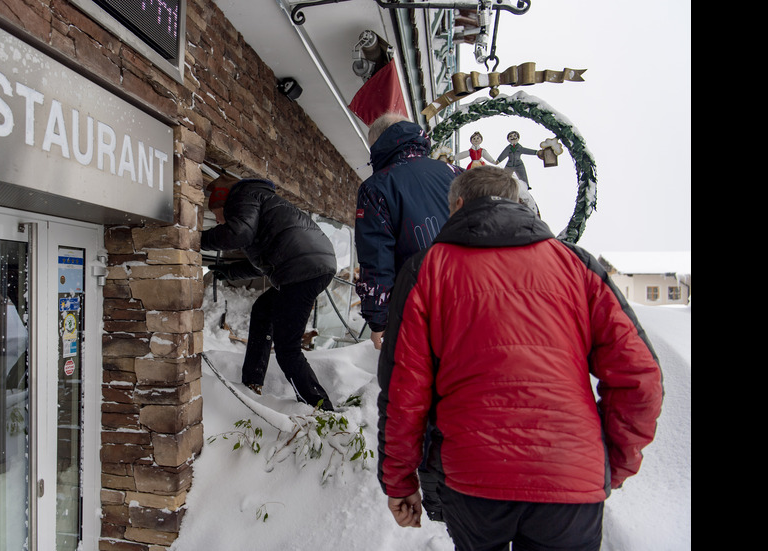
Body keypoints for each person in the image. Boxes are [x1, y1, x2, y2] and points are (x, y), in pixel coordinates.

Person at [377, 165, 663, 549]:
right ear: (517, 203)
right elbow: (640, 378)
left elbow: (404, 392)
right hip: (569, 478)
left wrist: (399, 480)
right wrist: (612, 462)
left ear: (458, 205)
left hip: (474, 480)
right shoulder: (577, 266)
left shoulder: (428, 270)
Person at [202, 173, 338, 411]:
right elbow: (259, 262)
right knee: (264, 309)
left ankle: (321, 409)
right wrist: (229, 272)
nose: (217, 220)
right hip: (312, 263)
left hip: (301, 269)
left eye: (215, 213)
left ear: (224, 202)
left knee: (287, 349)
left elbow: (237, 234)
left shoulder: (243, 197)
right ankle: (252, 382)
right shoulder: (259, 202)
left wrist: (196, 238)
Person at [354, 113, 462, 351]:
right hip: (472, 297)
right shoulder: (457, 173)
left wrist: (378, 319)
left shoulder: (377, 187)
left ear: (378, 143)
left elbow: (376, 258)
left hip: (420, 308)